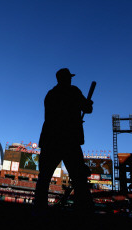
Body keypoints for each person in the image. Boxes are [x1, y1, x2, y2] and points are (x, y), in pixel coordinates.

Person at [35, 68, 94, 213]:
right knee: (78, 177)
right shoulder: (73, 91)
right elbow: (87, 108)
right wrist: (88, 103)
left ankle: (38, 208)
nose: (70, 79)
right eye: (69, 77)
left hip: (51, 139)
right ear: (65, 78)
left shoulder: (51, 94)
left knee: (44, 177)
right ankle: (84, 209)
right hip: (69, 139)